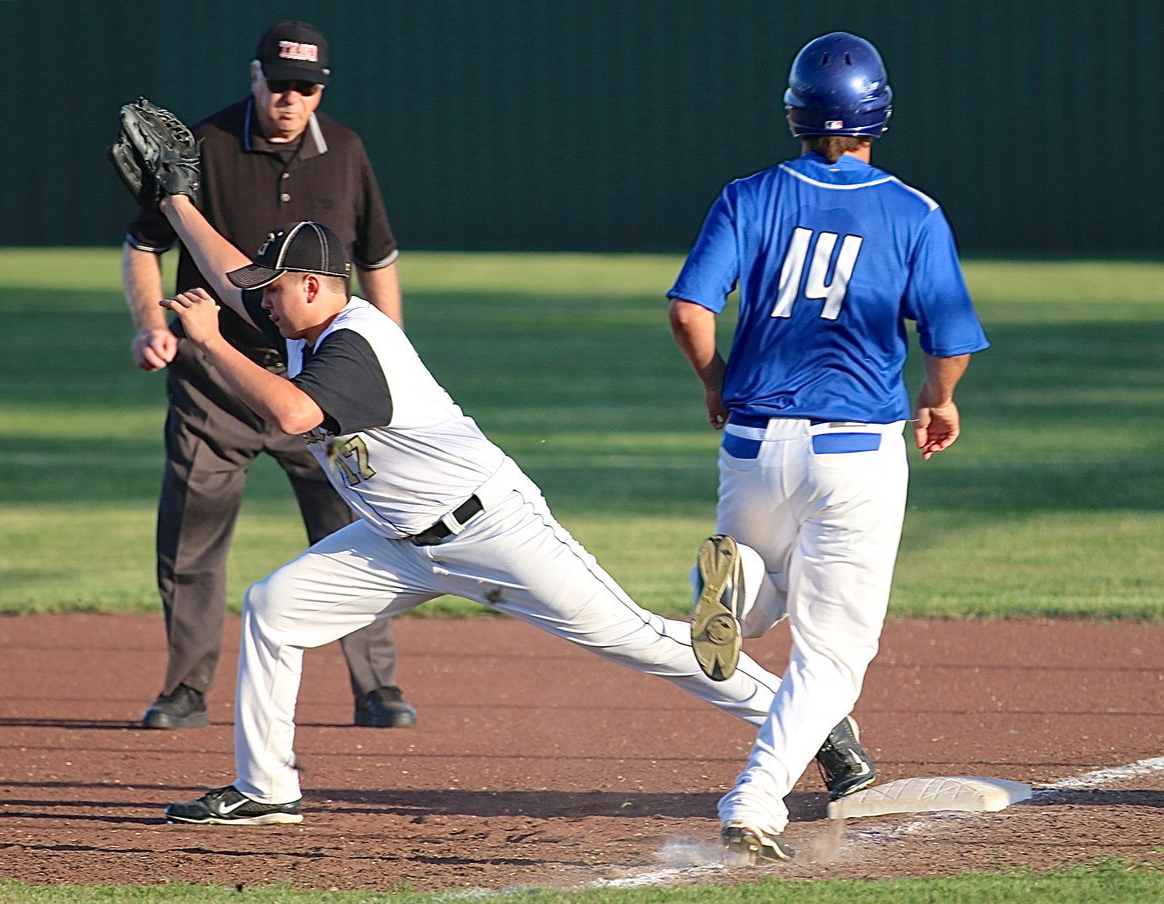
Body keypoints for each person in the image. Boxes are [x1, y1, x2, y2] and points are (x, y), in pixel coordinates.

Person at [146, 189, 870, 827]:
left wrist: (208, 343)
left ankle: (816, 722)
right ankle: (267, 788)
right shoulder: (304, 320)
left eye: (273, 290)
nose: (262, 303)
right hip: (398, 543)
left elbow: (294, 415)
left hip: (491, 529)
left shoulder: (355, 344)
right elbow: (231, 278)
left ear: (313, 286)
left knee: (636, 639)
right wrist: (179, 202)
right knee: (274, 607)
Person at [668, 32, 990, 862]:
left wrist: (715, 382)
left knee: (760, 593)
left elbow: (689, 311)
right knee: (834, 655)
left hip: (753, 444)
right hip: (854, 450)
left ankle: (738, 590)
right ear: (879, 114)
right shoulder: (913, 211)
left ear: (795, 114)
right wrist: (939, 397)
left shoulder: (748, 196)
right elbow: (949, 338)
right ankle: (756, 797)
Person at [120, 20, 416, 730]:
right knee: (190, 535)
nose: (291, 99)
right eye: (280, 84)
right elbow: (142, 243)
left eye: (305, 88)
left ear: (321, 90)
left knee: (357, 526)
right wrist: (151, 323)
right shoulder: (206, 145)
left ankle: (376, 686)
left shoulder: (344, 150)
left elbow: (377, 256)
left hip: (315, 378)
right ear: (255, 77)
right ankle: (186, 689)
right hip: (213, 379)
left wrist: (390, 343)